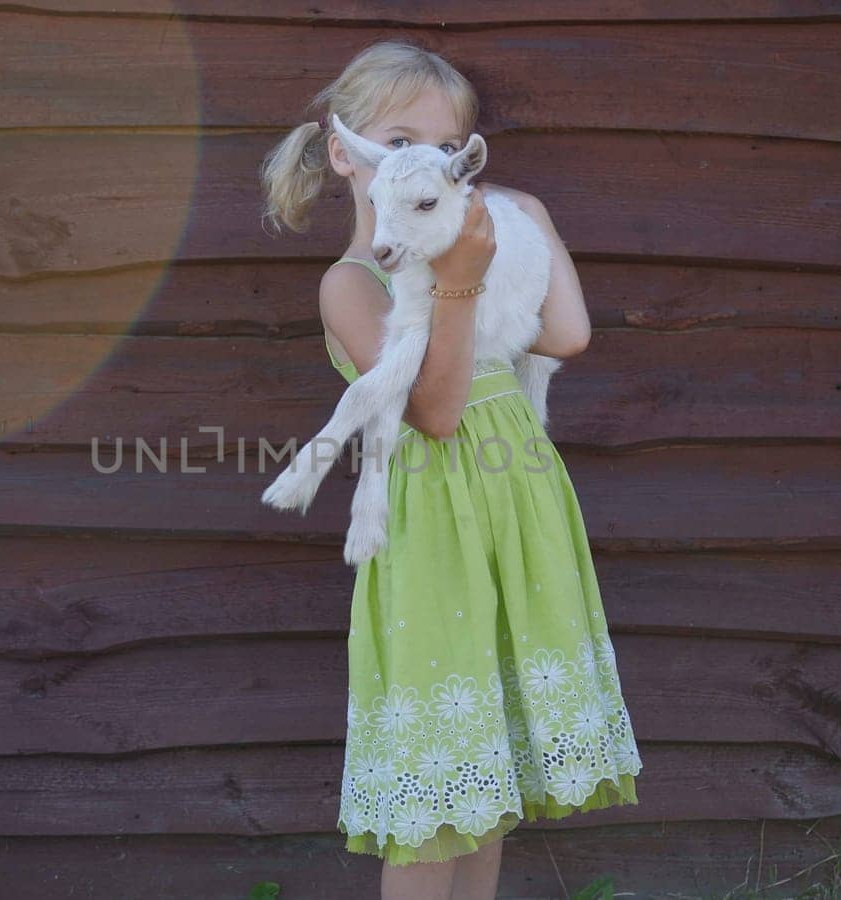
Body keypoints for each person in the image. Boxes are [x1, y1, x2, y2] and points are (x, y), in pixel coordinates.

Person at [259, 39, 643, 900]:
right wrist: (460, 282)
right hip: (433, 532)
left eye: (439, 146)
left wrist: (526, 216)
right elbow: (434, 411)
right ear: (345, 154)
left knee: (491, 785)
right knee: (437, 798)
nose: (418, 161)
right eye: (397, 142)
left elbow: (569, 333)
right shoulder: (351, 283)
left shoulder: (489, 254)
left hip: (515, 507)